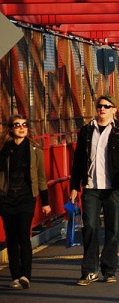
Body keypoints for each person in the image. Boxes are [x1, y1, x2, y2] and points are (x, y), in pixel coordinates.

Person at [70, 95, 119, 286]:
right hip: (91, 187)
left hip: (113, 188)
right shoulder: (86, 131)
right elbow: (78, 161)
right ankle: (90, 270)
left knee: (112, 229)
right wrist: (74, 186)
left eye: (106, 106)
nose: (102, 109)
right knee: (90, 227)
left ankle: (109, 270)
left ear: (114, 110)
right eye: (99, 106)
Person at [0, 115, 51, 290]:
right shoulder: (3, 150)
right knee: (11, 238)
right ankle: (15, 275)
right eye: (17, 125)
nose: (21, 128)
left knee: (23, 235)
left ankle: (25, 275)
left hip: (26, 197)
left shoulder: (35, 150)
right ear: (11, 129)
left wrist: (45, 202)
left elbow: (42, 179)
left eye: (25, 125)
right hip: (6, 198)